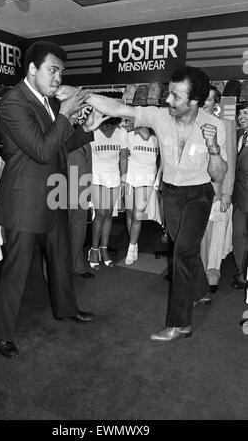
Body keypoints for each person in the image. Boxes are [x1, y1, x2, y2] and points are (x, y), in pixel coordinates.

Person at [84, 66, 227, 341]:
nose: (168, 100)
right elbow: (118, 108)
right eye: (168, 94)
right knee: (181, 245)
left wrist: (213, 147)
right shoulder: (161, 117)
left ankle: (180, 323)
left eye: (175, 96)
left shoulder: (214, 126)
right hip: (170, 193)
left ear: (194, 100)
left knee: (183, 251)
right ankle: (200, 292)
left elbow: (218, 174)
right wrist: (83, 95)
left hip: (199, 194)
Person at [0, 41, 95, 359]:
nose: (58, 78)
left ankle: (66, 309)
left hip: (53, 192)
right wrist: (65, 114)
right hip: (24, 199)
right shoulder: (13, 103)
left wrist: (86, 129)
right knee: (17, 269)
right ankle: (2, 332)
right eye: (52, 70)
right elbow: (40, 149)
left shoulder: (48, 102)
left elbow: (58, 145)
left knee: (61, 257)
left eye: (61, 72)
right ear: (32, 69)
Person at [200, 85, 236, 292]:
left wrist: (227, 194)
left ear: (216, 104)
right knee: (195, 238)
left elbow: (229, 161)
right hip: (190, 191)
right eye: (202, 98)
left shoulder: (226, 125)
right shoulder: (189, 123)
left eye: (209, 100)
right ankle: (194, 276)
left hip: (215, 192)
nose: (205, 102)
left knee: (212, 238)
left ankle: (210, 277)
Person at [87, 114, 128, 269]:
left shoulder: (122, 133)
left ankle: (104, 249)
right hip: (95, 176)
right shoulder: (92, 131)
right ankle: (94, 250)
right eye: (103, 124)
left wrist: (123, 180)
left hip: (114, 177)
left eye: (109, 125)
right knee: (100, 213)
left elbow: (123, 157)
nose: (105, 128)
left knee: (109, 213)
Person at [124, 125, 160, 265]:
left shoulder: (157, 137)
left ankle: (131, 248)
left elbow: (162, 159)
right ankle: (135, 242)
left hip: (147, 179)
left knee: (138, 215)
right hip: (130, 178)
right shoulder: (129, 135)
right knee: (129, 213)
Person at [67, 118, 95, 279]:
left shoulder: (83, 133)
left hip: (82, 190)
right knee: (60, 234)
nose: (79, 114)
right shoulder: (57, 132)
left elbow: (88, 163)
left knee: (78, 231)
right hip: (62, 189)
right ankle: (56, 270)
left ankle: (77, 266)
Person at [232, 101, 248, 291]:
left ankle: (244, 275)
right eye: (240, 114)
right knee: (237, 235)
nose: (241, 117)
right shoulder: (238, 135)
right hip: (237, 197)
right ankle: (242, 271)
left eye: (245, 113)